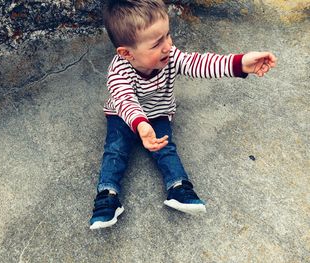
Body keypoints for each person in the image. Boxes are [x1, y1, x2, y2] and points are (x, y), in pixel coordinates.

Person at [89, 0, 277, 230]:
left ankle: (179, 187)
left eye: (168, 35)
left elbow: (200, 63)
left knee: (166, 149)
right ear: (127, 53)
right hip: (123, 115)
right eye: (157, 43)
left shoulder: (170, 56)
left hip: (158, 114)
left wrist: (239, 63)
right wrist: (140, 125)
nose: (168, 46)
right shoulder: (118, 72)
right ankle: (107, 195)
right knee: (115, 149)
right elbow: (125, 100)